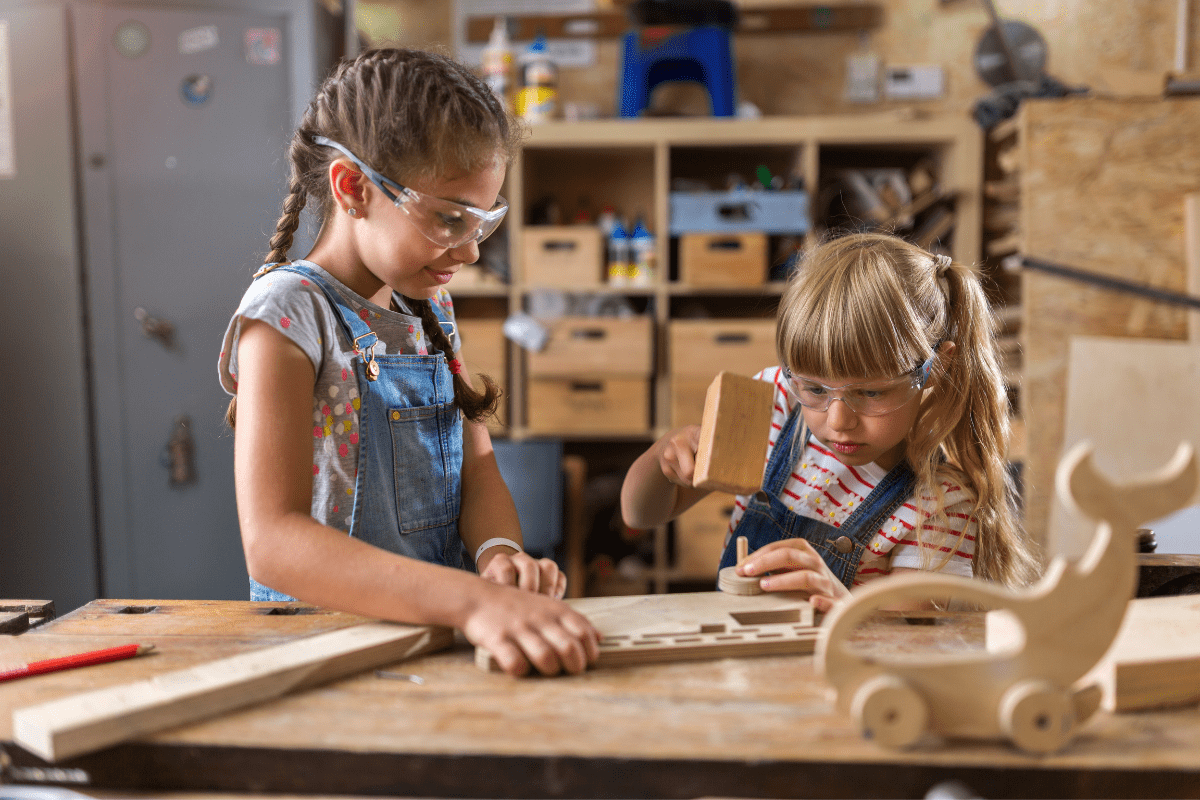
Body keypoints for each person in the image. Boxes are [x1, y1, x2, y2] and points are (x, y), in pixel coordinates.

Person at [218, 48, 598, 676]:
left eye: (484, 221)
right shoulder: (289, 313)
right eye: (451, 219)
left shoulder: (431, 307)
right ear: (354, 188)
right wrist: (473, 602)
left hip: (434, 638)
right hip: (319, 654)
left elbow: (478, 474)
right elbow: (273, 543)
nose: (472, 251)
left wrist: (499, 557)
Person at [622, 232, 1039, 611]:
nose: (838, 421)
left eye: (871, 393)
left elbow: (914, 637)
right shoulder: (770, 403)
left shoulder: (940, 503)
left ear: (934, 368)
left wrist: (843, 603)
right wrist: (664, 460)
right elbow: (640, 514)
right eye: (816, 390)